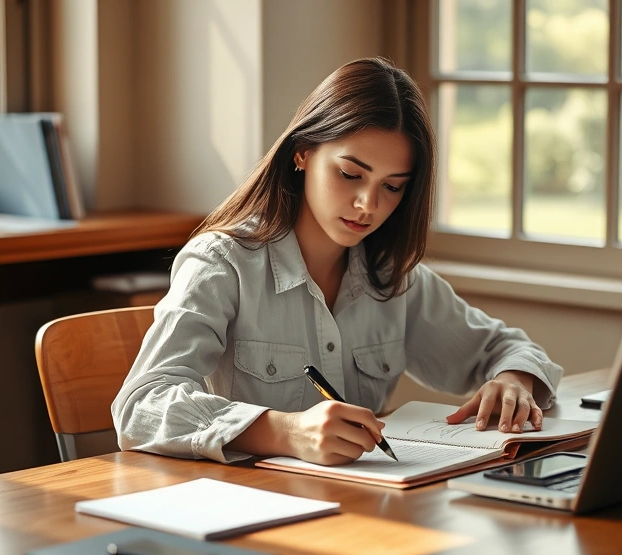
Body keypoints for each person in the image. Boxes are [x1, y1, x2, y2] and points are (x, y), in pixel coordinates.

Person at [111, 57, 563, 466]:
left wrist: (515, 380)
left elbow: (508, 349)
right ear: (303, 152)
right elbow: (140, 406)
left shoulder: (394, 279)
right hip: (243, 512)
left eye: (393, 186)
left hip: (360, 509)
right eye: (350, 174)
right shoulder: (223, 264)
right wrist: (285, 430)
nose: (368, 204)